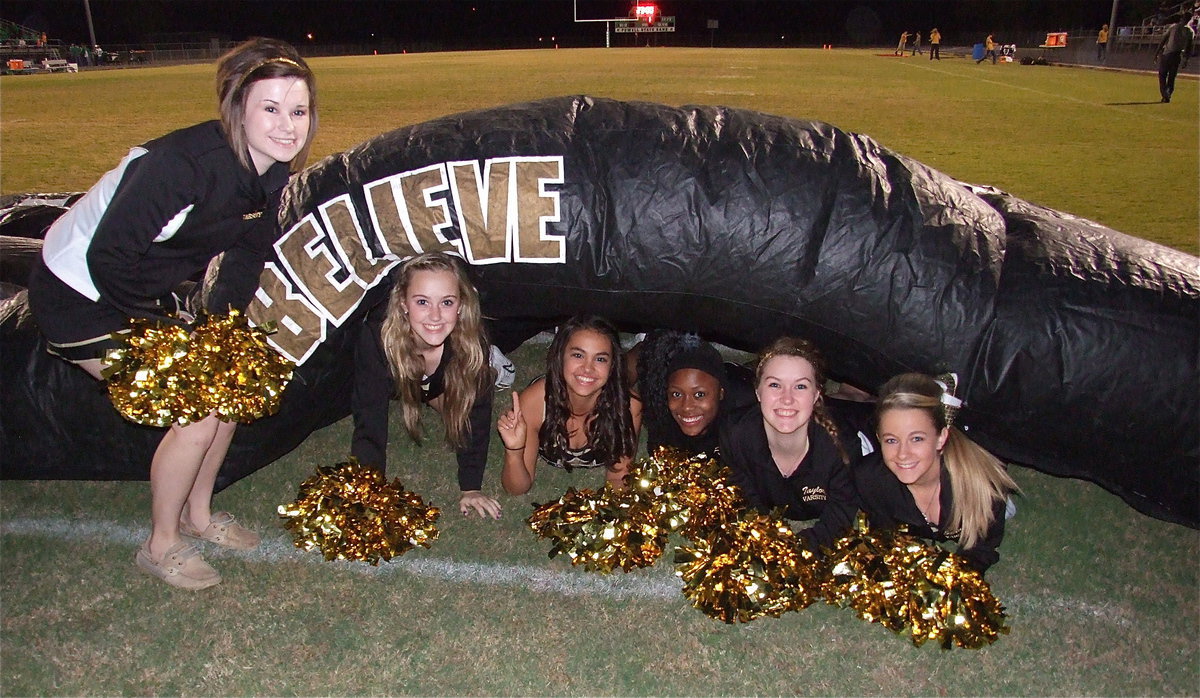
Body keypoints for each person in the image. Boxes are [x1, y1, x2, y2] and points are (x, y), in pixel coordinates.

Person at [26, 38, 317, 589]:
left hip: (129, 286)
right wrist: (159, 323)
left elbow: (250, 250)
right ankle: (162, 545)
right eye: (270, 108)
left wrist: (221, 327)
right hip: (78, 293)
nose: (287, 126)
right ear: (238, 109)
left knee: (231, 382)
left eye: (298, 110)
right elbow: (106, 256)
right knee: (198, 407)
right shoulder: (180, 165)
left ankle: (199, 515)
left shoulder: (271, 170)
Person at [351, 252, 502, 520]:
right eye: (422, 301)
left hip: (435, 380)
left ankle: (491, 365)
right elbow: (369, 421)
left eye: (446, 302)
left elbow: (476, 418)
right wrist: (369, 490)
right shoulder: (376, 339)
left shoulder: (469, 344)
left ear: (461, 305)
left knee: (462, 398)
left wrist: (471, 487)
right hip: (393, 378)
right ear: (403, 303)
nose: (435, 316)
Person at [853, 373, 1019, 574]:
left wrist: (954, 580)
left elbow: (981, 549)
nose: (902, 454)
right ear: (878, 438)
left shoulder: (981, 484)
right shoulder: (870, 479)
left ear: (941, 438)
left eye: (917, 439)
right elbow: (884, 537)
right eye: (891, 440)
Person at [718, 337, 859, 552]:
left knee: (862, 407)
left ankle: (854, 395)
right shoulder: (735, 434)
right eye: (775, 384)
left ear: (816, 395)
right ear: (757, 392)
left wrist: (799, 548)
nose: (787, 399)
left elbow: (842, 513)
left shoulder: (842, 447)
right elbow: (742, 493)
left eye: (800, 386)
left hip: (857, 423)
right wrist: (764, 534)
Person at [496, 315, 641, 495]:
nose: (587, 368)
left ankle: (645, 345)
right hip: (553, 390)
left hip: (611, 388)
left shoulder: (628, 406)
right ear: (560, 356)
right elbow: (516, 489)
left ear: (611, 364)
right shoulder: (535, 402)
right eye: (578, 355)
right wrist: (514, 450)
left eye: (600, 359)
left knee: (627, 374)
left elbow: (619, 477)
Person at [628, 330, 755, 457]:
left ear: (721, 393)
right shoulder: (663, 416)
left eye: (699, 395)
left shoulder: (746, 417)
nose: (687, 406)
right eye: (677, 394)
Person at [1155, 15, 1195, 103]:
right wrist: (1186, 59)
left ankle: (1165, 94)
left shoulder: (1173, 27)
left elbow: (1163, 40)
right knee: (1172, 76)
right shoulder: (1190, 31)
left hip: (1167, 54)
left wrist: (1156, 53)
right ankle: (1168, 92)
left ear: (1181, 19)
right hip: (1178, 55)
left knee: (1162, 74)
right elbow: (1189, 47)